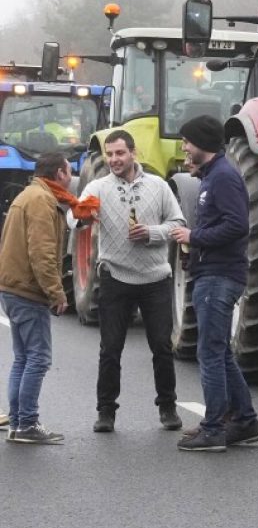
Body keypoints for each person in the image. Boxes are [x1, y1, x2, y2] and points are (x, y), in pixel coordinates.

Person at [74, 129, 186, 433]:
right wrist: (82, 215)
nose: (113, 160)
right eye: (109, 154)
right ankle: (106, 412)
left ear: (133, 153)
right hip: (115, 278)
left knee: (162, 347)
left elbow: (178, 224)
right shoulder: (98, 186)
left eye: (119, 153)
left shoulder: (159, 186)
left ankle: (168, 407)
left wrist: (151, 233)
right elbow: (77, 215)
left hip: (155, 279)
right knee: (110, 349)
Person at [171, 115, 258, 452]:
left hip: (220, 276)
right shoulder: (214, 175)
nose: (184, 147)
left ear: (203, 144)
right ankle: (245, 421)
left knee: (209, 352)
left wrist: (194, 236)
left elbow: (237, 226)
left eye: (187, 142)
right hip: (214, 272)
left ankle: (214, 428)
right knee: (219, 351)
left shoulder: (223, 177)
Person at [0, 151, 73, 444]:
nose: (70, 177)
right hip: (28, 290)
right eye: (68, 171)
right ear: (58, 174)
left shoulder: (28, 194)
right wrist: (56, 293)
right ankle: (27, 423)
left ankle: (18, 424)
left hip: (12, 287)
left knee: (23, 358)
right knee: (38, 359)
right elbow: (41, 254)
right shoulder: (42, 201)